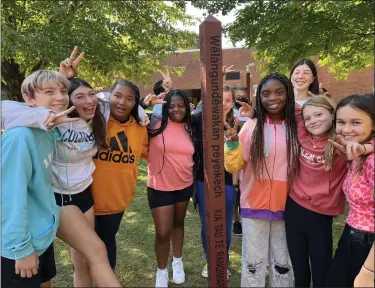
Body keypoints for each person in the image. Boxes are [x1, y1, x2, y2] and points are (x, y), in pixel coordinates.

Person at [224, 73, 298, 287]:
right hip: (253, 205)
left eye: (279, 92)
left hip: (288, 207)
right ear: (259, 98)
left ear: (288, 94)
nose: (272, 98)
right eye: (265, 94)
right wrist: (231, 144)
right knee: (253, 264)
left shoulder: (296, 127)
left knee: (282, 264)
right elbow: (233, 166)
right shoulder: (252, 126)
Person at [1, 70, 74, 288]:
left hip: (41, 235)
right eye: (49, 92)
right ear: (29, 99)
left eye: (63, 91)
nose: (60, 97)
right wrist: (21, 249)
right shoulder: (20, 138)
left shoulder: (48, 129)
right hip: (18, 247)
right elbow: (9, 197)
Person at [92, 79, 149, 271]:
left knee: (107, 241)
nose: (122, 102)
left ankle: (106, 280)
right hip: (85, 200)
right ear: (109, 97)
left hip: (116, 200)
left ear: (135, 103)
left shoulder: (141, 129)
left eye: (130, 99)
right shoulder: (94, 120)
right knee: (86, 248)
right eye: (117, 96)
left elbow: (149, 152)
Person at [147, 90, 196, 287]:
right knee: (162, 232)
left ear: (187, 107)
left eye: (181, 105)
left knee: (178, 223)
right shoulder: (154, 124)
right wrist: (145, 103)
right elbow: (133, 116)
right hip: (159, 186)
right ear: (166, 106)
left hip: (184, 184)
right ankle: (161, 270)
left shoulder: (192, 127)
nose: (176, 109)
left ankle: (177, 261)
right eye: (172, 105)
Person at [326, 94, 375, 287]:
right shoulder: (359, 153)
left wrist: (368, 272)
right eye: (341, 122)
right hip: (352, 234)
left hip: (368, 245)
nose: (346, 129)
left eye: (356, 122)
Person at [194, 85, 237, 279]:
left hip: (228, 183)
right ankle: (209, 260)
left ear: (233, 103)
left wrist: (232, 141)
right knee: (207, 225)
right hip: (204, 182)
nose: (224, 104)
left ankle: (223, 261)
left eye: (228, 100)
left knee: (225, 227)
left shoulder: (237, 123)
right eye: (219, 99)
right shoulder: (200, 120)